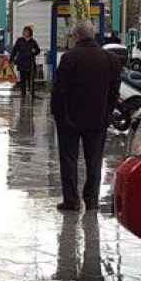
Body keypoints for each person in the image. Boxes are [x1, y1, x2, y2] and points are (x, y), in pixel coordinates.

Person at [49, 21, 116, 212]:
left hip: (70, 119)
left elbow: (59, 90)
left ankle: (71, 200)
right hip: (98, 119)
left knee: (69, 159)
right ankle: (92, 200)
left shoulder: (70, 58)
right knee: (94, 160)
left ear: (76, 36)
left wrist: (58, 114)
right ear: (93, 35)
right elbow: (114, 91)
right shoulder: (110, 59)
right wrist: (107, 114)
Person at [10, 25, 42, 99]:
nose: (25, 33)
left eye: (26, 31)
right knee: (22, 79)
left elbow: (38, 50)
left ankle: (32, 93)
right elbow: (14, 50)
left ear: (30, 33)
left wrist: (35, 51)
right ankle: (23, 94)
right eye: (24, 31)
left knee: (31, 79)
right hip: (22, 63)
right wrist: (11, 59)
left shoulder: (33, 42)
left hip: (30, 63)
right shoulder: (19, 40)